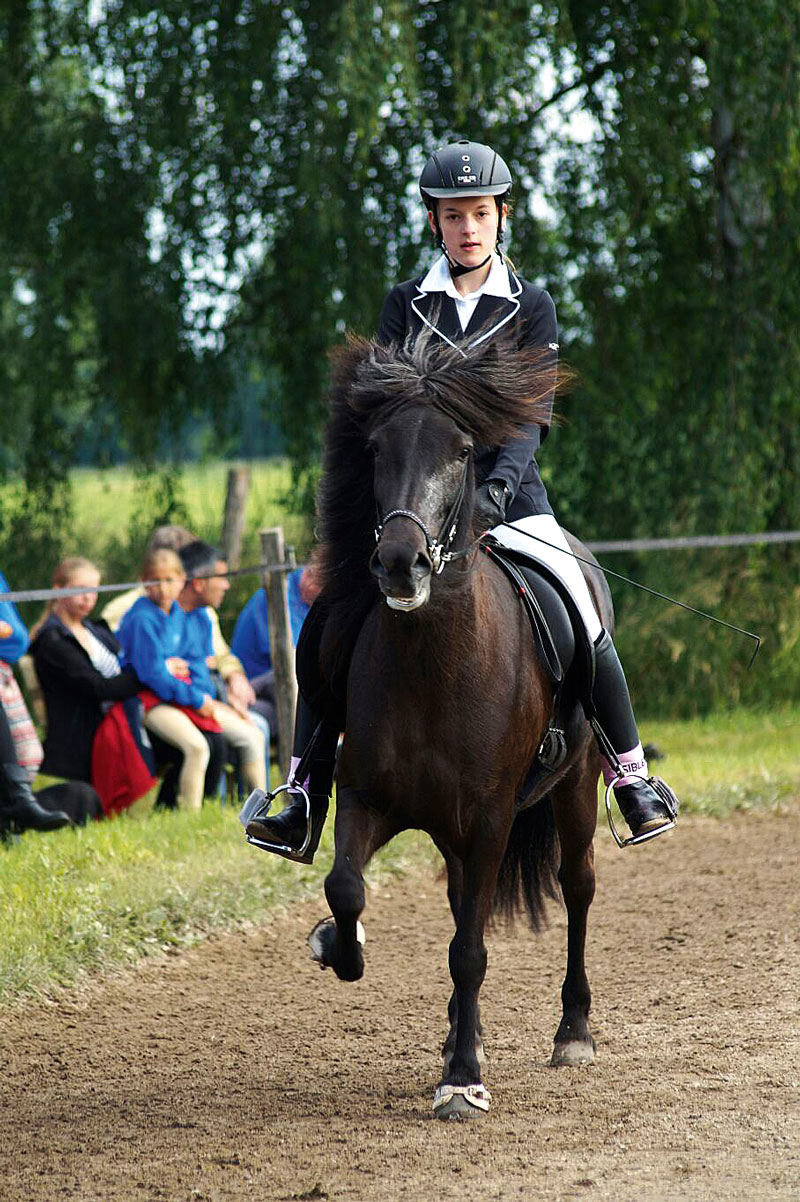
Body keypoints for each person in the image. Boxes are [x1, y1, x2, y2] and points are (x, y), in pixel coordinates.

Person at [247, 138, 678, 862]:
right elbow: (379, 417)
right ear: (435, 224)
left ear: (502, 217)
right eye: (454, 216)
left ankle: (629, 777)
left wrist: (497, 493)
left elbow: (530, 422)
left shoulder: (530, 307)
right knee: (329, 615)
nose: (468, 228)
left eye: (480, 213)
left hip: (513, 502)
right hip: (415, 504)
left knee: (578, 605)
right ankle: (302, 795)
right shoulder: (405, 306)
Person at [30, 557, 160, 818]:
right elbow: (97, 687)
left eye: (94, 590)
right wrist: (148, 674)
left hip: (122, 716)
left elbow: (124, 665)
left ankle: (169, 806)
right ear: (58, 590)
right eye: (81, 590)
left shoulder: (95, 629)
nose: (89, 598)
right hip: (85, 731)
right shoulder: (52, 640)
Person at [102, 524, 256, 718]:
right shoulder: (129, 610)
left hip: (200, 691)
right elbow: (123, 661)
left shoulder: (201, 612)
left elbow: (217, 656)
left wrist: (234, 676)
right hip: (158, 697)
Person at [117, 548, 226, 810]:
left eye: (170, 580)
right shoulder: (142, 617)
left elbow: (193, 660)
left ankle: (203, 807)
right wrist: (193, 697)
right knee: (197, 747)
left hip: (176, 694)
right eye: (156, 580)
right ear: (144, 582)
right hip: (147, 700)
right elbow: (152, 673)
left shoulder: (177, 612)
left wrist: (202, 693)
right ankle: (191, 815)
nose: (164, 588)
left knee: (216, 740)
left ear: (181, 580)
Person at [177, 541, 267, 797]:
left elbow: (207, 666)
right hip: (180, 702)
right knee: (252, 737)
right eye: (221, 577)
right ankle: (259, 810)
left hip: (203, 698)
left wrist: (227, 698)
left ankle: (257, 807)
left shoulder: (203, 617)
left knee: (255, 730)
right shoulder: (168, 615)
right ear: (198, 583)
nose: (227, 585)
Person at [0, 570, 75, 834]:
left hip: (5, 670)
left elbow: (13, 634)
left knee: (29, 754)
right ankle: (15, 809)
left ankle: (12, 820)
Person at [231, 562, 322, 735]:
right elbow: (293, 658)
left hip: (278, 687)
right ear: (311, 582)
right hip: (257, 683)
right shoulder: (279, 596)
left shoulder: (305, 598)